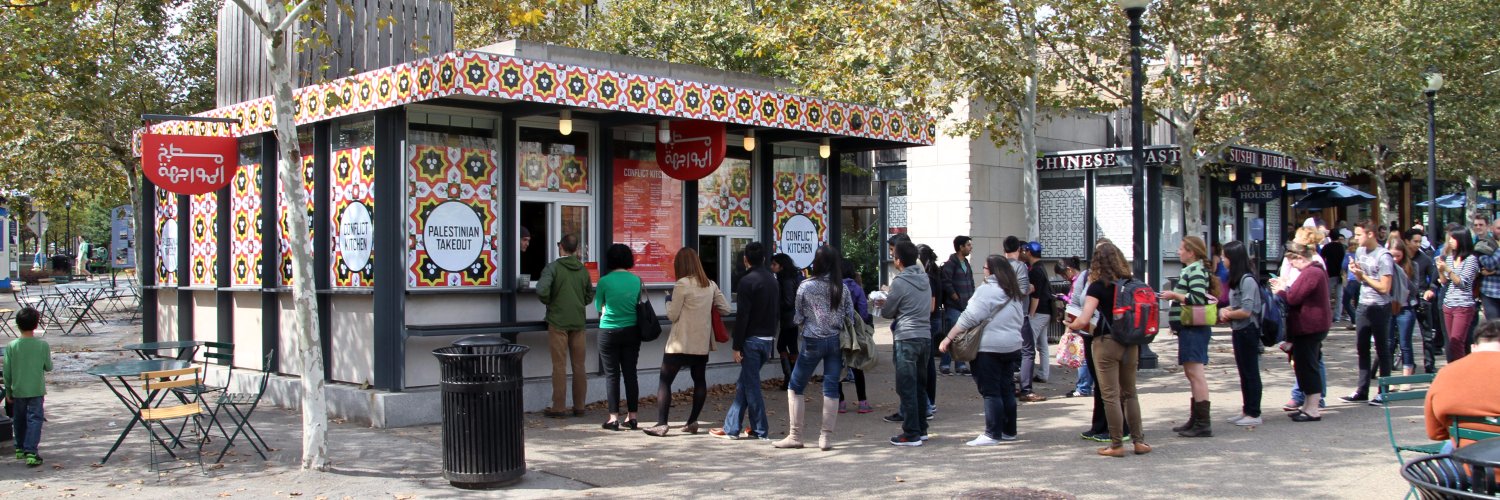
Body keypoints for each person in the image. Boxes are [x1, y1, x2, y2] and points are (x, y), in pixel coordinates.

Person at [1067, 242, 1151, 457]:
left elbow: (1084, 318)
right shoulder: (1130, 283)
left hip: (1106, 342)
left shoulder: (1097, 286)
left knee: (1110, 395)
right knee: (1130, 393)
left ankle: (1116, 445)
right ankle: (1139, 442)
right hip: (1130, 342)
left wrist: (1071, 325)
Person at [775, 246, 855, 451]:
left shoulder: (806, 286)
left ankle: (796, 435)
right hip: (836, 341)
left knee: (795, 386)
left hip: (812, 340)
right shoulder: (842, 288)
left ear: (816, 263)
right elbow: (850, 316)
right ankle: (825, 438)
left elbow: (798, 316)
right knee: (831, 388)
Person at [941, 254, 1027, 446]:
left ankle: (992, 433)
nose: (984, 272)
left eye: (985, 268)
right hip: (1012, 346)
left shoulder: (986, 291)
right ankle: (1009, 430)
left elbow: (968, 318)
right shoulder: (1013, 292)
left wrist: (948, 337)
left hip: (989, 347)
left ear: (992, 271)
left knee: (990, 391)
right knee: (1006, 388)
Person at [644, 248, 731, 437]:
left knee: (665, 381)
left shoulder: (682, 284)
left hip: (680, 343)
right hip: (700, 344)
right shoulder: (710, 284)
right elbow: (726, 308)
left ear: (680, 265)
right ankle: (692, 421)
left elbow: (672, 314)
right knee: (699, 380)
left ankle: (661, 424)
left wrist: (668, 300)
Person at [711, 242, 778, 440]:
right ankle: (731, 427)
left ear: (745, 260)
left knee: (751, 386)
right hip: (767, 339)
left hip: (751, 340)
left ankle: (760, 430)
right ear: (764, 259)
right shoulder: (773, 280)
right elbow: (776, 312)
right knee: (745, 384)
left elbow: (743, 317)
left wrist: (737, 346)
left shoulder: (746, 282)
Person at [1161, 235, 1218, 437]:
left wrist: (1174, 296)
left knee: (1196, 373)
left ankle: (1203, 422)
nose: (1178, 251)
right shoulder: (1192, 269)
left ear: (1191, 252)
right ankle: (1196, 419)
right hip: (1188, 327)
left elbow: (1198, 297)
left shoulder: (1195, 270)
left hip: (1194, 328)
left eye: (1181, 248)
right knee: (1191, 373)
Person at [1273, 241, 1331, 422]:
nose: (1291, 267)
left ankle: (1313, 408)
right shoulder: (1314, 271)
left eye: (1292, 262)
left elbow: (1293, 298)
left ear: (1299, 257)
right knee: (1305, 365)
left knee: (1308, 366)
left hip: (1309, 327)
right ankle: (1307, 405)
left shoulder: (1312, 272)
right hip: (1311, 326)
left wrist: (1281, 290)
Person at [882, 241, 933, 447]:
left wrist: (883, 302)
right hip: (925, 336)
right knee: (920, 385)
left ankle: (911, 432)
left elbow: (887, 312)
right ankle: (921, 429)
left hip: (906, 337)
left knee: (906, 386)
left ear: (898, 260)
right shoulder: (925, 278)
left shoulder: (900, 282)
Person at [538, 234, 594, 419]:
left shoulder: (552, 268)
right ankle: (579, 407)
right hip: (578, 322)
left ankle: (559, 407)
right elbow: (588, 295)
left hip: (558, 322)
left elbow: (542, 290)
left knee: (559, 366)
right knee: (579, 365)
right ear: (577, 249)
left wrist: (551, 302)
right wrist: (578, 303)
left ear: (560, 246)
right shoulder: (583, 270)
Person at [1425, 320, 1500, 448]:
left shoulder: (1446, 373)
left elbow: (1435, 433)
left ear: (1473, 347)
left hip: (1466, 460)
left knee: (1448, 446)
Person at [1343, 220, 1395, 404]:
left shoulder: (1383, 256)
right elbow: (1361, 278)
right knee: (1361, 348)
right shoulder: (1359, 251)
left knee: (1382, 349)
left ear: (1370, 234)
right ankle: (1362, 389)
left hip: (1380, 306)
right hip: (1363, 304)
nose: (1355, 238)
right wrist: (1356, 272)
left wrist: (1362, 276)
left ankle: (1384, 391)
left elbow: (1384, 287)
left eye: (1358, 235)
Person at [595, 243, 641, 429]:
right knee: (631, 374)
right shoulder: (636, 280)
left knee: (612, 375)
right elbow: (637, 303)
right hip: (632, 330)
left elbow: (599, 306)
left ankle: (613, 418)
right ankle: (633, 416)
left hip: (608, 331)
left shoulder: (604, 281)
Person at [1218, 241, 1263, 427]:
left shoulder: (1248, 280)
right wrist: (1226, 310)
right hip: (1238, 329)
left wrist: (1227, 313)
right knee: (1243, 371)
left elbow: (1246, 310)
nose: (1222, 259)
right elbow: (1237, 305)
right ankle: (1246, 409)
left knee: (1251, 371)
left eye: (1224, 256)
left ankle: (1254, 412)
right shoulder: (1237, 280)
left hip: (1248, 330)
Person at [4, 308, 51, 466]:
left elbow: (7, 372)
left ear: (17, 324)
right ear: (36, 325)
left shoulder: (11, 346)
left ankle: (19, 447)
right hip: (36, 389)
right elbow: (48, 367)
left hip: (18, 390)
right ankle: (31, 451)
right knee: (35, 419)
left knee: (19, 419)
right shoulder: (42, 345)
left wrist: (8, 392)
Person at [1003, 236, 1044, 403]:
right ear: (1018, 250)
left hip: (1002, 315)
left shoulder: (998, 266)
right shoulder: (1020, 266)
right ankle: (1026, 389)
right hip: (1019, 314)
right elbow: (1021, 290)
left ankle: (1008, 386)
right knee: (1028, 351)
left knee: (1007, 351)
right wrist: (1030, 288)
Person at [1437, 228, 1480, 362]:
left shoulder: (1471, 260)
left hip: (1463, 305)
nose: (1450, 241)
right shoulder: (1450, 258)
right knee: (1451, 342)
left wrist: (1448, 270)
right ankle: (1453, 367)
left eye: (1453, 238)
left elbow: (1462, 282)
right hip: (1448, 304)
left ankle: (1460, 370)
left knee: (1458, 341)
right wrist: (1440, 270)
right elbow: (1444, 282)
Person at [839, 258, 874, 414]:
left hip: (839, 330)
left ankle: (840, 402)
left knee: (837, 366)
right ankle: (863, 402)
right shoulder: (857, 288)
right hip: (855, 330)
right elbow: (863, 310)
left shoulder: (835, 287)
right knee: (857, 365)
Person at [1406, 229, 1443, 374]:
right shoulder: (1401, 257)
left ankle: (1429, 364)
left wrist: (1431, 290)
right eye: (1415, 241)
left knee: (1427, 335)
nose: (1418, 244)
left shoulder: (1425, 259)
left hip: (1421, 298)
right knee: (1404, 335)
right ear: (1407, 241)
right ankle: (1408, 363)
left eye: (1420, 241)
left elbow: (1435, 280)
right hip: (1405, 300)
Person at [1055, 257, 1093, 398]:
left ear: (1069, 270)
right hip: (1084, 321)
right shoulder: (1082, 279)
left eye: (1064, 275)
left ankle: (1083, 386)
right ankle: (1084, 385)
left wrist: (1070, 327)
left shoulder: (1080, 280)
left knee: (1081, 355)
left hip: (1080, 321)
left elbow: (1075, 303)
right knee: (1084, 355)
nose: (1064, 278)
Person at [939, 236, 976, 376]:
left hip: (965, 306)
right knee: (951, 335)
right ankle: (945, 364)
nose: (970, 247)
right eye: (968, 245)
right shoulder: (950, 264)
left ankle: (960, 364)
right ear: (960, 247)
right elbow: (946, 283)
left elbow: (971, 282)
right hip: (954, 306)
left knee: (961, 336)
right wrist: (956, 297)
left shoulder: (966, 263)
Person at [1388, 240, 1422, 380]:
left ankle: (1407, 376)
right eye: (1392, 256)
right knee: (1388, 342)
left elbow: (1414, 290)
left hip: (1406, 307)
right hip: (1389, 307)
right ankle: (1386, 374)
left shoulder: (1413, 265)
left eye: (1398, 256)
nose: (1395, 259)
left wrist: (1403, 276)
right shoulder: (1385, 265)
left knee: (1405, 343)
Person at [1020, 241, 1052, 390]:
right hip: (1046, 311)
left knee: (1029, 345)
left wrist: (1030, 314)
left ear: (1029, 252)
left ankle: (1026, 376)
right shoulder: (1041, 268)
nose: (1023, 253)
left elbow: (1036, 296)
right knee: (1042, 345)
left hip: (1038, 312)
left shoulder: (1035, 271)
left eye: (1025, 251)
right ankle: (1043, 373)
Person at [770, 253, 803, 391]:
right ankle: (791, 379)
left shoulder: (786, 280)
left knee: (784, 346)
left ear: (781, 266)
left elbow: (788, 302)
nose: (772, 267)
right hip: (790, 318)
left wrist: (774, 304)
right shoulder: (789, 277)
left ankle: (791, 380)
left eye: (774, 265)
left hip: (789, 318)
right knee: (788, 346)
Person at [1322, 231, 1348, 323]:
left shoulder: (1327, 247)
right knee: (1339, 296)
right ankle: (1337, 316)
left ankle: (1326, 315)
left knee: (1326, 295)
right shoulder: (1342, 247)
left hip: (1330, 273)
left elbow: (1322, 259)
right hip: (1340, 274)